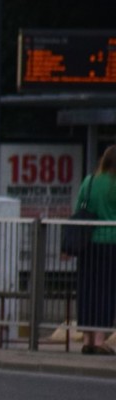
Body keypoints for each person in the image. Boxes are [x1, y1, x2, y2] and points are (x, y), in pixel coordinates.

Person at [70, 144, 116, 355]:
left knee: (87, 290)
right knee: (106, 291)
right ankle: (99, 339)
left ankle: (88, 338)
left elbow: (79, 207)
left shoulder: (89, 181)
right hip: (110, 243)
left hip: (87, 244)